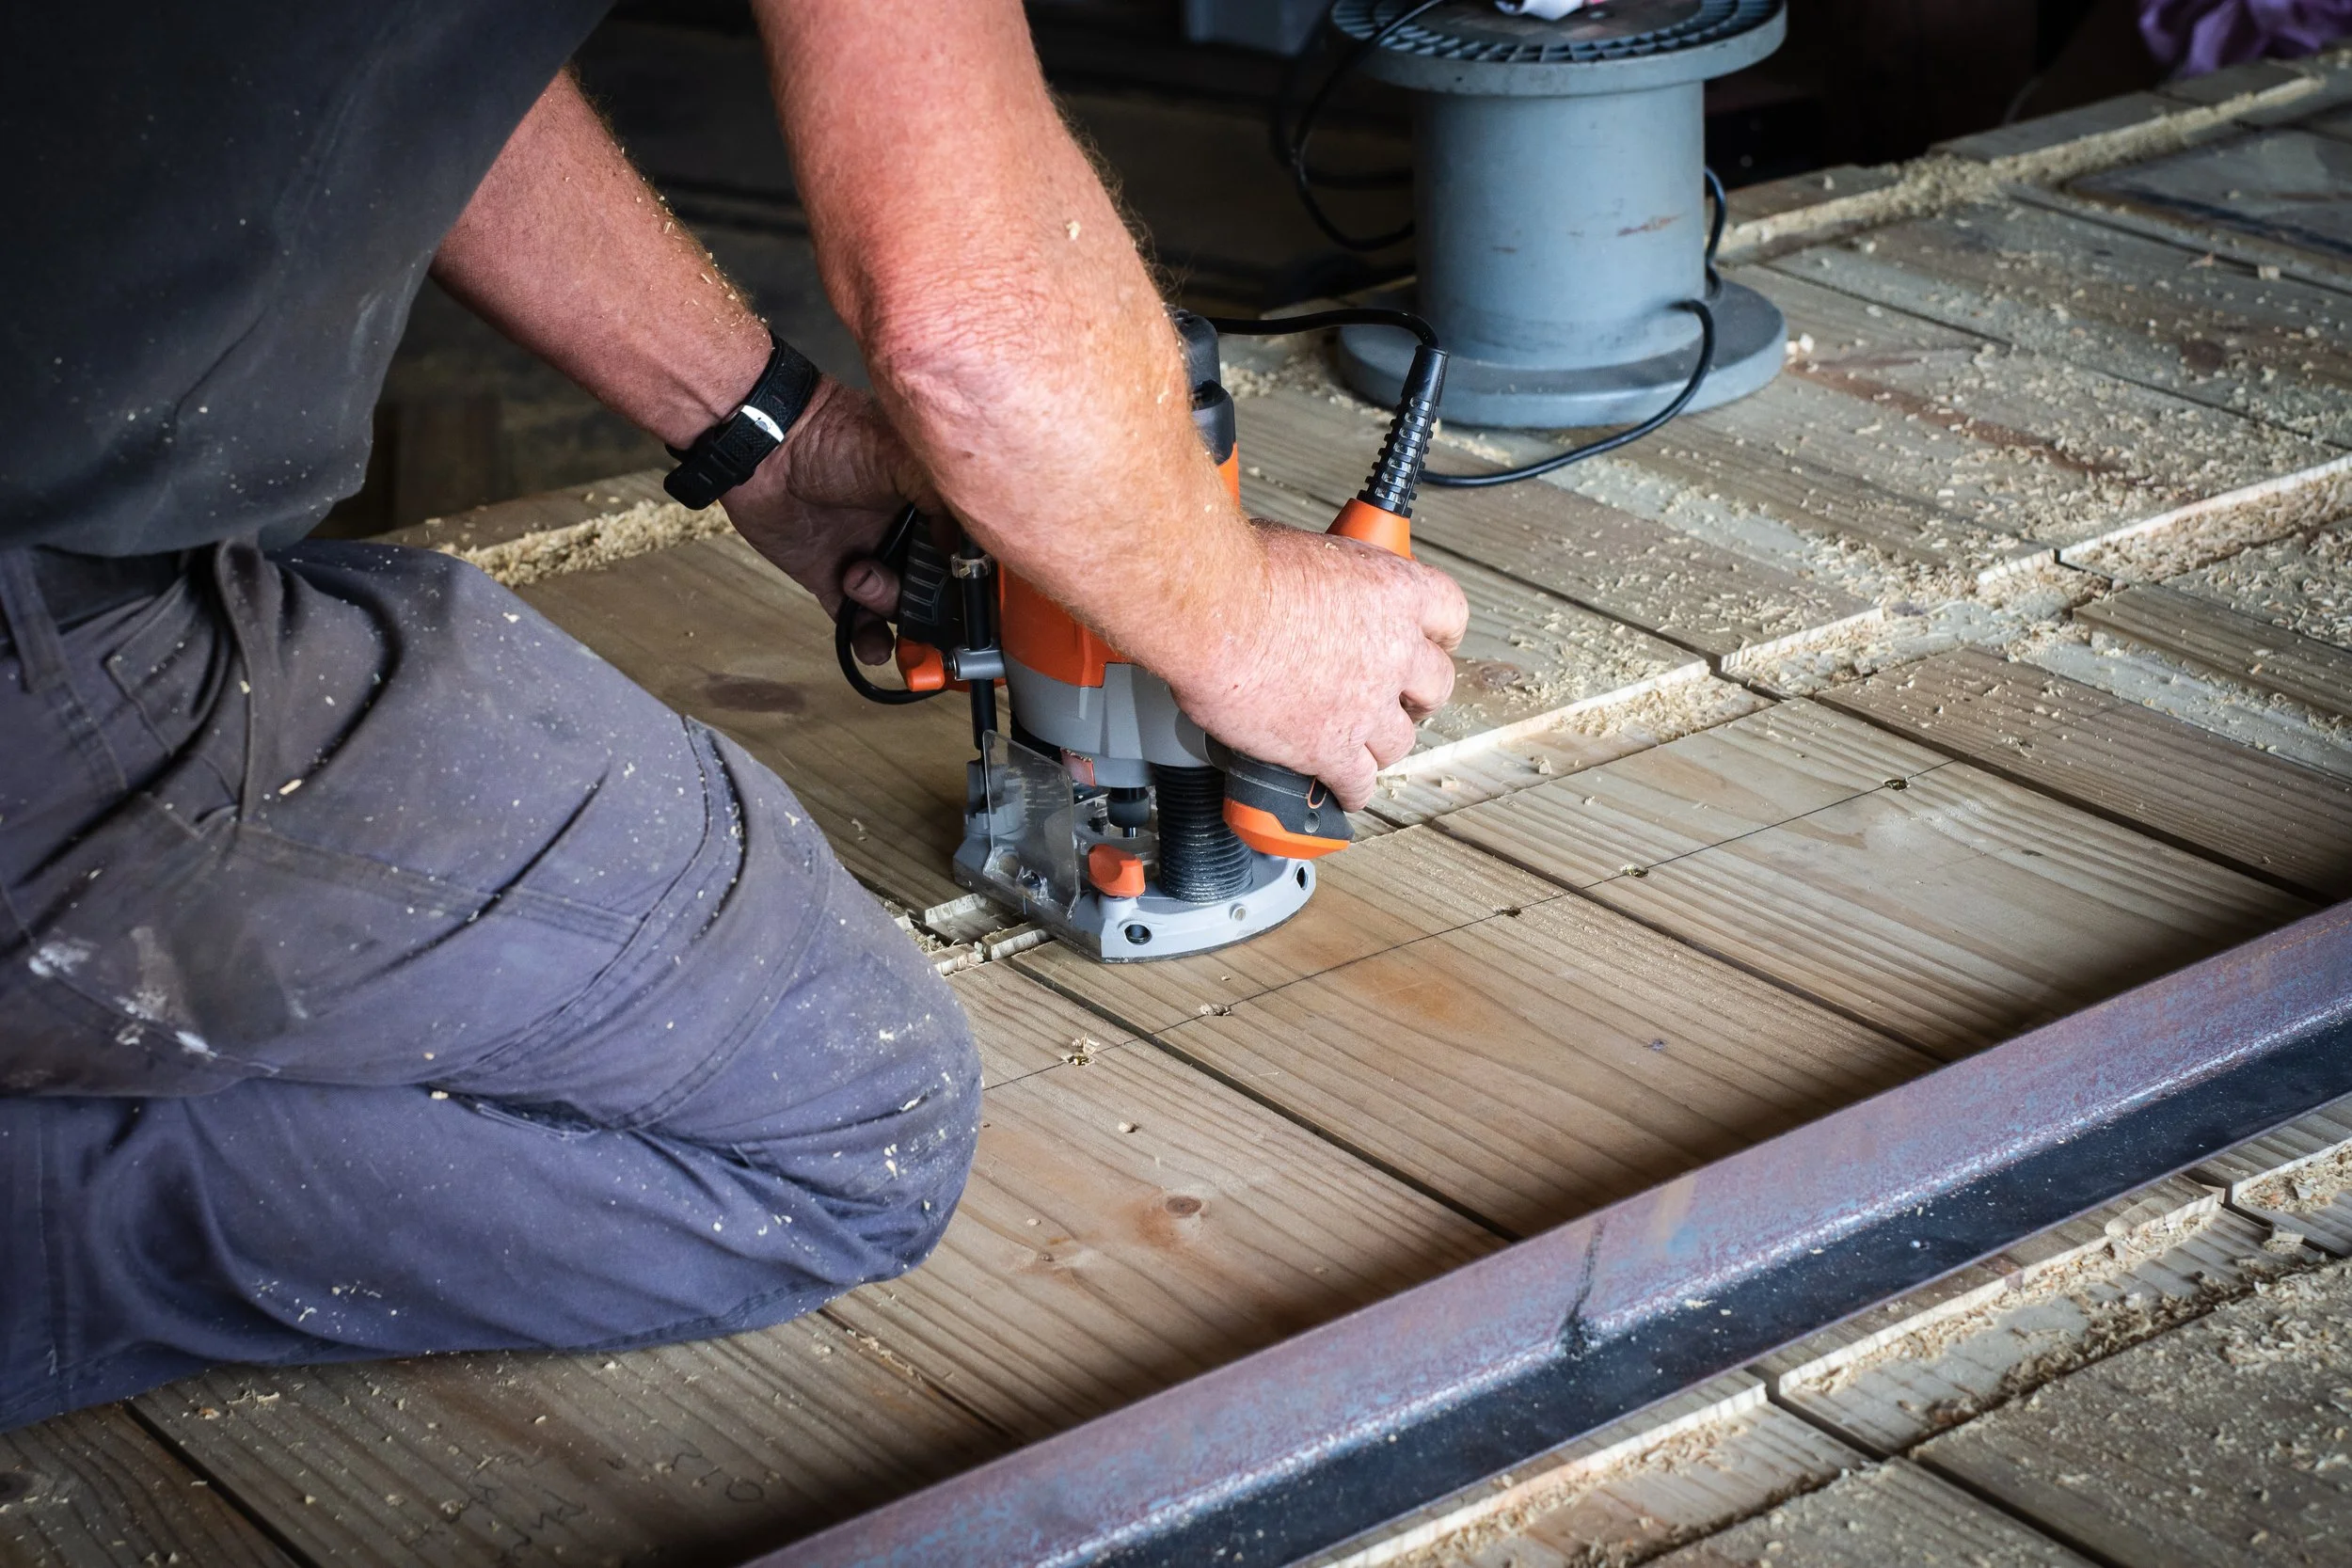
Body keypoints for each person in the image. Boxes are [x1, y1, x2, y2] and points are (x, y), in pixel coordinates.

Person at [0, 0, 1467, 1430]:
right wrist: (1250, 623)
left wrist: (766, 434)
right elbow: (977, 331)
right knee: (853, 1125)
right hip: (58, 647)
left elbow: (395, 66)